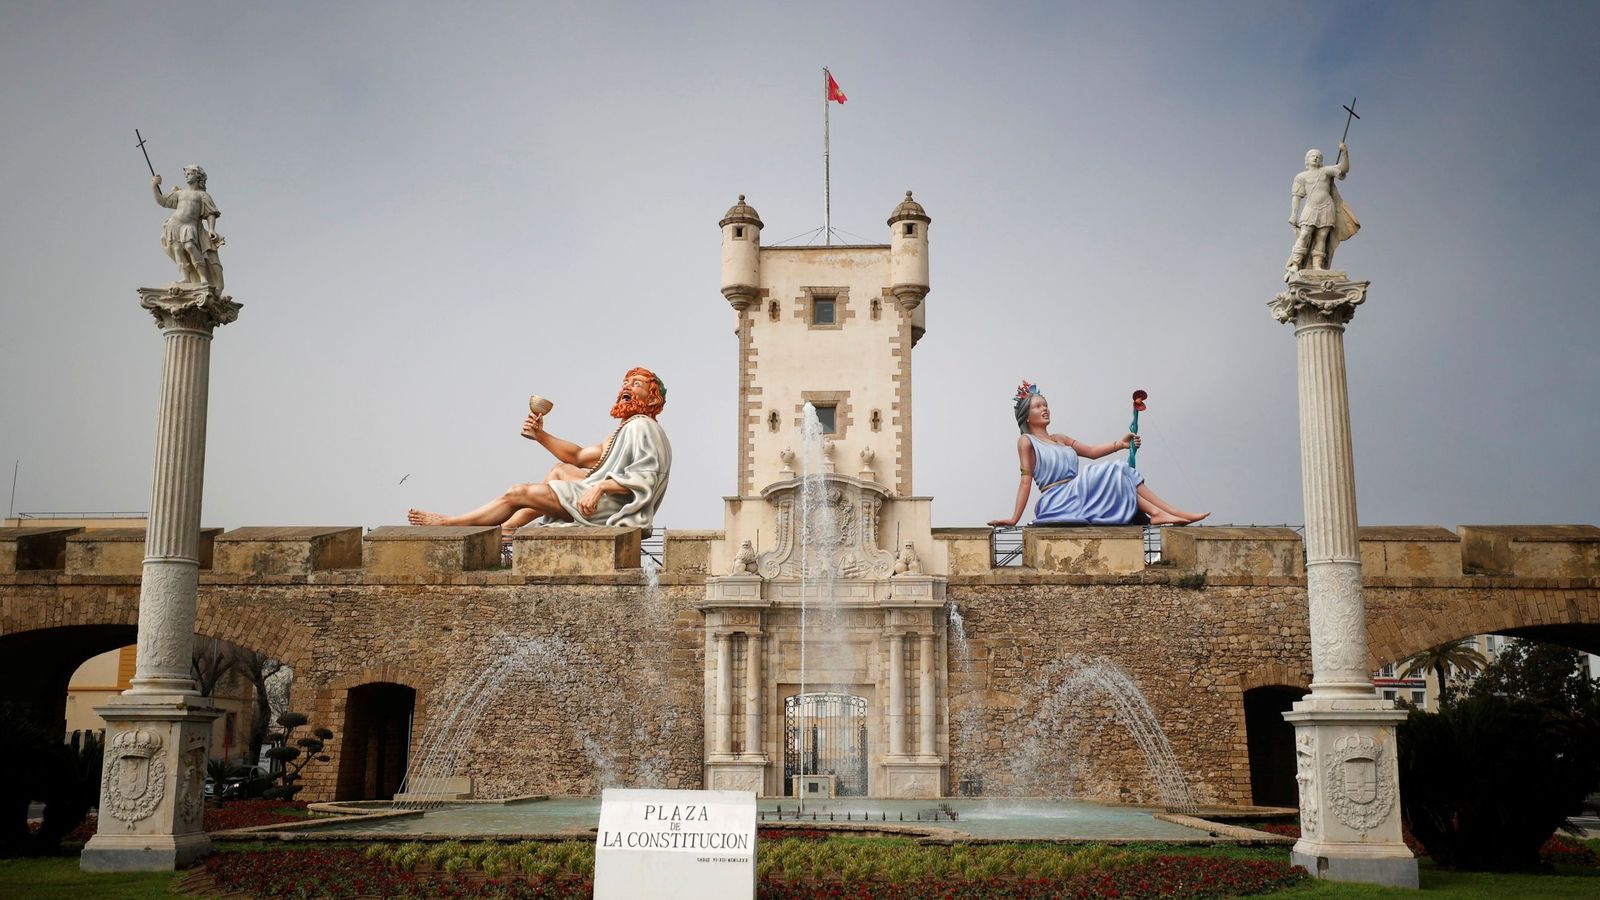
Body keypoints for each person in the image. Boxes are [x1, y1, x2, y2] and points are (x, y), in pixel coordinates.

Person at [407, 368, 671, 530]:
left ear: (652, 397)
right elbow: (578, 457)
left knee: (517, 492)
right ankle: (509, 529)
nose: (626, 387)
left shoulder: (642, 428)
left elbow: (645, 477)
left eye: (636, 384)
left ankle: (450, 524)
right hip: (602, 496)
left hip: (609, 506)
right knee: (559, 470)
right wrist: (541, 435)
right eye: (625, 383)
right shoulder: (625, 429)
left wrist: (599, 488)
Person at [987, 381, 1207, 527]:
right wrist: (1014, 518)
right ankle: (1164, 513)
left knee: (1123, 471)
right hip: (1058, 499)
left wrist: (1120, 444)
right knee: (1118, 469)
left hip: (1079, 491)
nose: (1044, 409)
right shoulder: (1026, 441)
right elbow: (1025, 481)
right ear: (1026, 416)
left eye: (1045, 405)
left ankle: (1170, 512)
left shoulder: (1060, 439)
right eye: (1037, 406)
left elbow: (1091, 452)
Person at [1285, 142, 1359, 277]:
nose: (1315, 158)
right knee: (1304, 234)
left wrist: (1345, 153)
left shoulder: (1325, 171)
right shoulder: (1301, 176)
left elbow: (1343, 169)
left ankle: (1317, 265)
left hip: (1327, 206)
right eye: (1312, 156)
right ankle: (1295, 264)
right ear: (1307, 159)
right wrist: (1294, 215)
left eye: (1318, 156)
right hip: (1311, 207)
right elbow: (1296, 197)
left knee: (1322, 236)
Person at [152, 165, 224, 291]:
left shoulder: (202, 195)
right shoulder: (180, 193)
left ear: (198, 177)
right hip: (174, 225)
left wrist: (211, 229)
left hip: (189, 225)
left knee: (190, 247)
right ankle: (186, 276)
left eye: (190, 173)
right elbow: (162, 201)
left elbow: (210, 213)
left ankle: (203, 277)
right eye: (186, 174)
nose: (186, 175)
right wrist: (154, 186)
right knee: (177, 250)